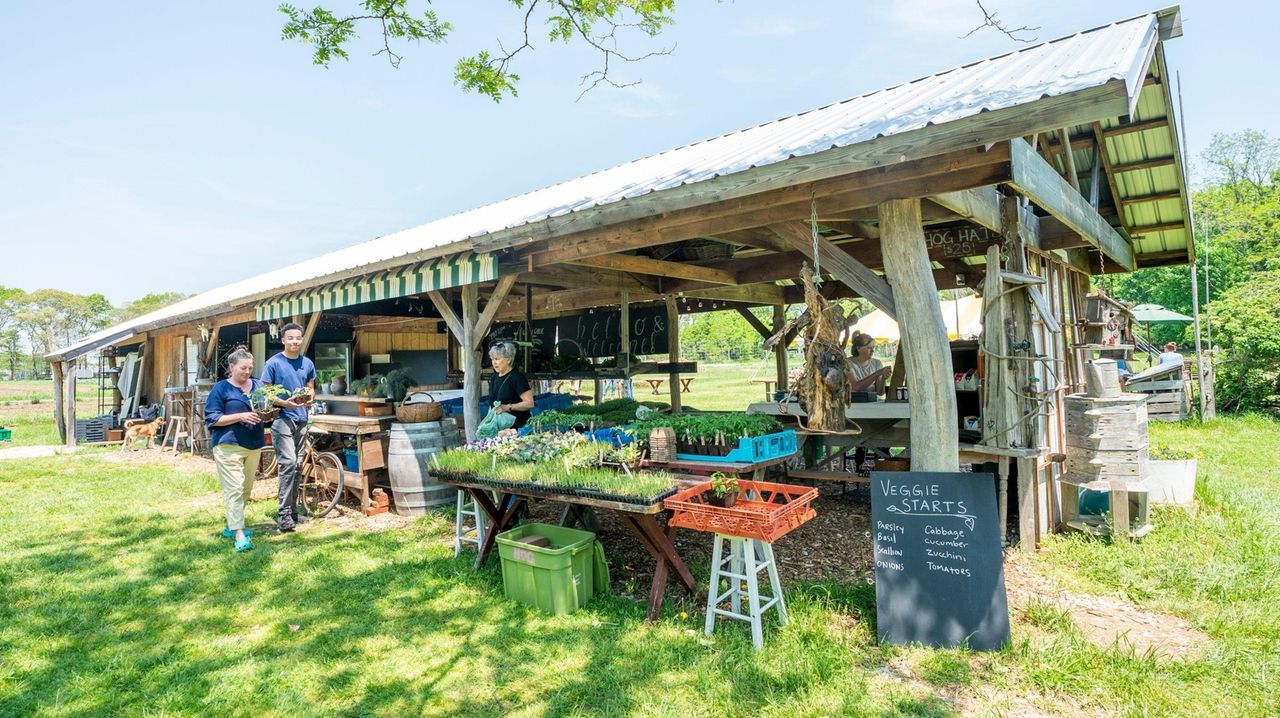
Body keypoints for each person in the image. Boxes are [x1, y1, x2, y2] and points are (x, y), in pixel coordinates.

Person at [204, 347, 265, 553]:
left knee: (246, 488)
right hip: (228, 444)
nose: (247, 372)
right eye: (242, 368)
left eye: (250, 367)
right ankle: (239, 534)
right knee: (235, 488)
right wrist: (240, 416)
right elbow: (212, 418)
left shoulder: (257, 385)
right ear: (231, 367)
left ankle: (232, 525)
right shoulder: (221, 389)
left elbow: (265, 408)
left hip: (253, 444)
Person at [261, 322, 316, 532]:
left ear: (302, 339)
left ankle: (293, 511)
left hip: (301, 418)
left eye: (298, 338)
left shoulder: (307, 363)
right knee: (288, 463)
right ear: (283, 340)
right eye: (290, 338)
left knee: (298, 464)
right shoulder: (273, 363)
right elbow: (266, 393)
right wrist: (285, 403)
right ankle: (283, 514)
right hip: (281, 418)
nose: (295, 341)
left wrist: (310, 399)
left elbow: (311, 389)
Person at [486, 340, 535, 430]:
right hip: (500, 428)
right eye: (492, 359)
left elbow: (529, 403)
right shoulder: (494, 377)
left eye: (497, 359)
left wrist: (508, 407)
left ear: (508, 360)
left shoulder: (517, 378)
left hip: (518, 428)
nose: (494, 362)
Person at [847, 331, 890, 396]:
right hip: (855, 403)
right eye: (869, 348)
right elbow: (856, 387)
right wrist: (877, 373)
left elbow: (880, 393)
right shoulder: (847, 363)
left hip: (872, 402)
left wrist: (883, 379)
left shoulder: (876, 363)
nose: (873, 351)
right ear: (858, 348)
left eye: (873, 347)